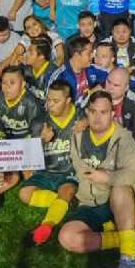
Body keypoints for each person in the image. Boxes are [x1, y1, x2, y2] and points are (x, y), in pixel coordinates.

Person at [56, 91, 135, 268]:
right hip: (89, 203)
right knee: (66, 237)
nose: (98, 118)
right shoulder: (78, 137)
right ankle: (128, 238)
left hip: (121, 202)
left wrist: (107, 177)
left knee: (120, 188)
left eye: (104, 112)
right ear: (87, 113)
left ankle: (129, 258)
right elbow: (79, 170)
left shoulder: (123, 138)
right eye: (93, 112)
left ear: (112, 114)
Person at [22, 80, 84, 244]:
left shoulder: (81, 117)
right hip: (47, 170)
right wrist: (41, 141)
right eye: (48, 99)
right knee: (24, 194)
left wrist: (87, 123)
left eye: (56, 101)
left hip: (70, 170)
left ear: (68, 101)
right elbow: (29, 153)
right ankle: (64, 203)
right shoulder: (39, 121)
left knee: (67, 189)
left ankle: (46, 226)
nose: (50, 105)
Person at [0, 65, 45, 141]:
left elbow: (36, 133)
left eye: (12, 83)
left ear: (23, 84)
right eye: (4, 83)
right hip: (3, 143)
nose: (7, 87)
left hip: (23, 144)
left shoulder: (31, 103)